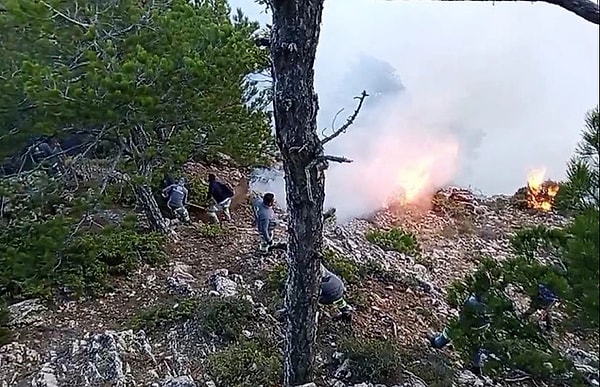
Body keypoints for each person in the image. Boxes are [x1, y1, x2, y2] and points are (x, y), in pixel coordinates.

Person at [428, 292, 491, 376]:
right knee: (476, 343)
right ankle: (476, 366)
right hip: (480, 328)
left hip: (466, 324)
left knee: (451, 330)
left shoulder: (472, 302)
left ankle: (438, 342)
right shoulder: (490, 305)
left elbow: (463, 315)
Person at [276, 263, 355, 322]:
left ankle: (292, 313)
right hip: (338, 285)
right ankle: (346, 310)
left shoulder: (310, 275)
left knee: (307, 299)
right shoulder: (317, 264)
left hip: (328, 295)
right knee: (337, 297)